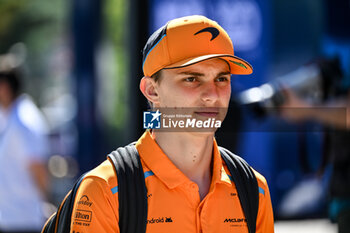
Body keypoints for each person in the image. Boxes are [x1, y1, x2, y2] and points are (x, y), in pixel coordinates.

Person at [69, 15, 274, 233]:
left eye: (221, 79)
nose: (212, 95)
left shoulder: (253, 188)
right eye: (192, 79)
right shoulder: (105, 190)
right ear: (152, 90)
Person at [0, 68, 50, 233]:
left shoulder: (24, 121)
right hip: (11, 218)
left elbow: (37, 167)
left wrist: (46, 201)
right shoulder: (10, 115)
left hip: (23, 220)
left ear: (5, 88)